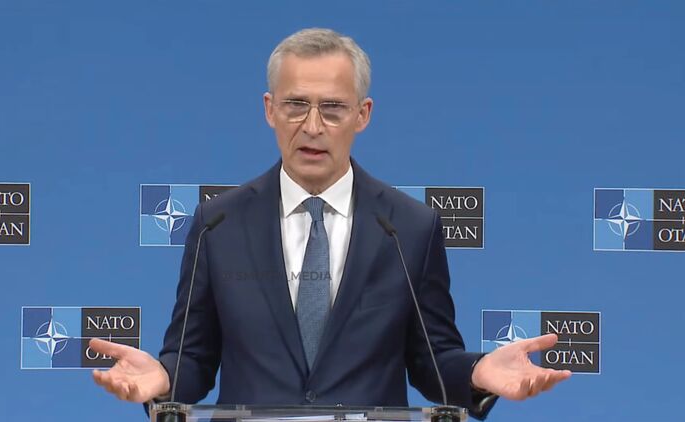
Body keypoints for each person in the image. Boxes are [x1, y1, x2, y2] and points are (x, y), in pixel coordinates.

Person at [90, 28, 571, 420]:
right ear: (269, 110)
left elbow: (432, 360)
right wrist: (163, 377)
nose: (313, 126)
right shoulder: (218, 223)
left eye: (333, 108)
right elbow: (193, 357)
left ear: (363, 114)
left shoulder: (409, 226)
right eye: (296, 104)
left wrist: (478, 372)